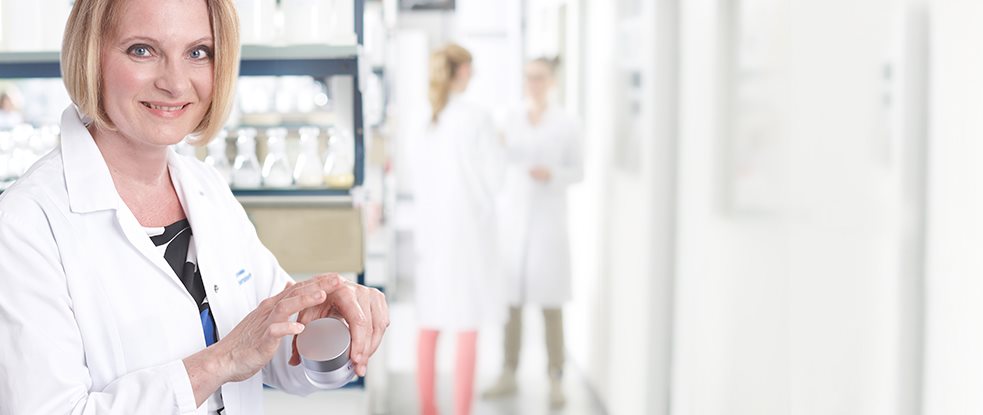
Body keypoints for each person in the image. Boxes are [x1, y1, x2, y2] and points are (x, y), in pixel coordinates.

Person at [0, 1, 389, 414]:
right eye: (142, 50)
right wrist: (221, 362)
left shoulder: (205, 189)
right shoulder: (26, 224)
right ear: (90, 54)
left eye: (198, 52)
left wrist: (330, 322)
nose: (175, 83)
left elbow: (276, 351)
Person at [481, 57, 583, 409]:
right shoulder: (509, 118)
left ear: (552, 81)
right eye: (528, 78)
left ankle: (556, 377)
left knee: (552, 306)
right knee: (511, 304)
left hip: (549, 223)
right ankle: (508, 371)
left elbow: (579, 171)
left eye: (539, 78)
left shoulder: (567, 123)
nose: (533, 84)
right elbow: (497, 160)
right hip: (515, 221)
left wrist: (553, 174)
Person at [411, 43, 504, 415]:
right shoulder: (478, 118)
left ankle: (428, 408)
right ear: (462, 71)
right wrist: (502, 147)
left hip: (431, 234)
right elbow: (495, 180)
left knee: (429, 321)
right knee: (467, 323)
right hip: (467, 237)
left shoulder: (423, 118)